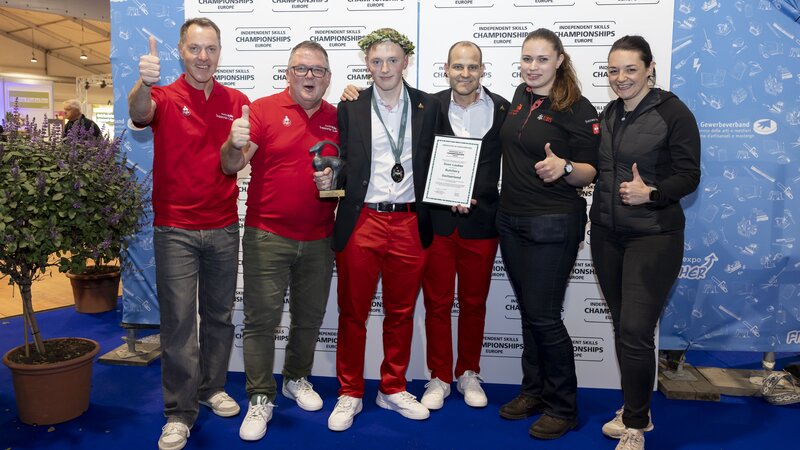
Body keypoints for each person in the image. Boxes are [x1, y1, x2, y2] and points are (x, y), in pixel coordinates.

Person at [128, 17, 249, 450]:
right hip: (175, 227)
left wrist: (236, 145)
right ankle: (179, 412)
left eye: (210, 48)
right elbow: (140, 114)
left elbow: (231, 166)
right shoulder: (162, 94)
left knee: (218, 317)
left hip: (222, 225)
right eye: (195, 48)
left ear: (219, 52)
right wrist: (142, 84)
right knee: (179, 324)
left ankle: (211, 388)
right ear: (182, 50)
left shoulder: (237, 100)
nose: (203, 56)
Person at [313, 27, 441, 432]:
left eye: (392, 60)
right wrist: (329, 177)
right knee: (352, 313)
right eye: (376, 61)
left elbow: (443, 158)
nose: (384, 68)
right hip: (363, 219)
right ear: (366, 64)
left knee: (401, 313)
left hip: (409, 220)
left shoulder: (428, 105)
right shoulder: (349, 106)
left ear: (406, 62)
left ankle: (392, 387)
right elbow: (344, 162)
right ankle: (350, 392)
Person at [220, 40, 338, 442]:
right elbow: (231, 165)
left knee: (309, 318)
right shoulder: (263, 111)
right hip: (266, 236)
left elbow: (343, 179)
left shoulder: (339, 118)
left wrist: (331, 184)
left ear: (328, 78)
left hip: (320, 237)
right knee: (261, 322)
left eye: (317, 70)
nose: (310, 76)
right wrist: (233, 145)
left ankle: (296, 378)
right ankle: (258, 396)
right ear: (288, 74)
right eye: (302, 69)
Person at [589, 35, 700, 450]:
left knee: (635, 329)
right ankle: (638, 407)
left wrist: (650, 193)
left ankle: (635, 424)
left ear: (650, 68)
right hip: (606, 235)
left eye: (630, 69)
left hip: (653, 236)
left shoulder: (674, 113)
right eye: (613, 70)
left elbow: (690, 176)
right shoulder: (611, 112)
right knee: (625, 329)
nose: (621, 78)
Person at [495, 28, 599, 440]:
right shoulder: (520, 97)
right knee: (530, 314)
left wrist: (567, 168)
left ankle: (563, 406)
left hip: (553, 222)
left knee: (543, 316)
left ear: (559, 60)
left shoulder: (577, 106)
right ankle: (533, 391)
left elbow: (592, 168)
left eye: (541, 59)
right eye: (526, 59)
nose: (532, 67)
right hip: (512, 221)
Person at [418, 41, 509, 411]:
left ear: (482, 70)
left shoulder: (504, 108)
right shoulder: (428, 106)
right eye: (458, 67)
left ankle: (469, 371)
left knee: (474, 303)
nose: (465, 74)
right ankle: (439, 376)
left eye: (472, 67)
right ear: (446, 69)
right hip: (438, 223)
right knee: (437, 304)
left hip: (483, 223)